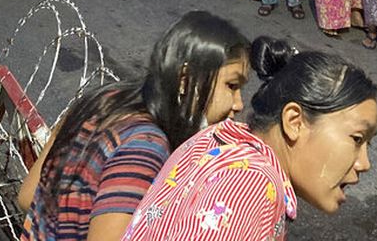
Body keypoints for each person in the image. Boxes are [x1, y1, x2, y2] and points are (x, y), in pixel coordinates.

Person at [17, 12, 249, 241]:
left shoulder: (104, 98)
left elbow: (28, 196)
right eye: (232, 85)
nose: (239, 104)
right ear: (185, 80)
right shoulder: (146, 147)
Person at [121, 38, 377, 240]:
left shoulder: (216, 139)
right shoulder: (250, 187)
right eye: (357, 139)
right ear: (294, 122)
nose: (364, 163)